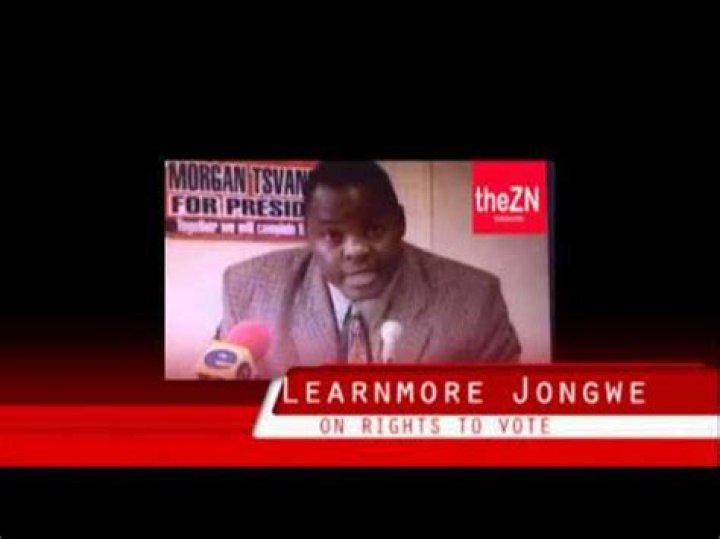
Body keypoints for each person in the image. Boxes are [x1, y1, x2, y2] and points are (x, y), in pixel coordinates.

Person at [219, 161, 520, 378]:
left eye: (374, 229)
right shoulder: (249, 292)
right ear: (307, 234)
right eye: (333, 235)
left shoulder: (475, 301)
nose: (356, 250)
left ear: (400, 223)